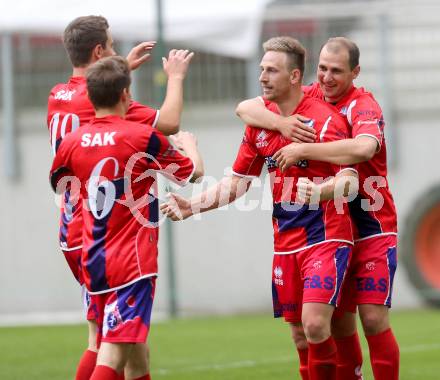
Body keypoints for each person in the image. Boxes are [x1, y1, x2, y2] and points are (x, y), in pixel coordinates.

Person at [160, 36, 358, 380]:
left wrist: (323, 192)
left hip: (327, 236)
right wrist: (191, 206)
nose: (262, 77)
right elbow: (237, 183)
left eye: (272, 71)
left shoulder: (326, 121)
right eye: (262, 69)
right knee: (299, 334)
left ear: (295, 77)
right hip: (285, 241)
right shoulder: (260, 126)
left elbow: (351, 181)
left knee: (314, 324)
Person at [236, 37, 399, 380]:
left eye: (336, 71)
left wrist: (301, 150)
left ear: (355, 72)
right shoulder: (310, 94)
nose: (326, 77)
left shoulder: (363, 105)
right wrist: (281, 125)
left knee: (371, 318)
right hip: (330, 224)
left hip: (369, 223)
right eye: (322, 68)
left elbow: (365, 148)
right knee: (336, 324)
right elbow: (245, 108)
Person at [46, 15, 194, 380]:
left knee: (130, 342)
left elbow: (88, 87)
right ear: (98, 50)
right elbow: (171, 122)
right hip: (107, 231)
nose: (115, 53)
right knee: (106, 341)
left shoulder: (57, 95)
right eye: (111, 48)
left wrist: (120, 67)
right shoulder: (123, 124)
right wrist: (174, 77)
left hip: (73, 223)